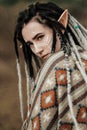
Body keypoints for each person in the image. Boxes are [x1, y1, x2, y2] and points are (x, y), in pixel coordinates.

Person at [14, 2, 87, 130]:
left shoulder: (55, 67)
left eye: (40, 37)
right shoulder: (84, 57)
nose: (37, 50)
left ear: (61, 25)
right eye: (30, 44)